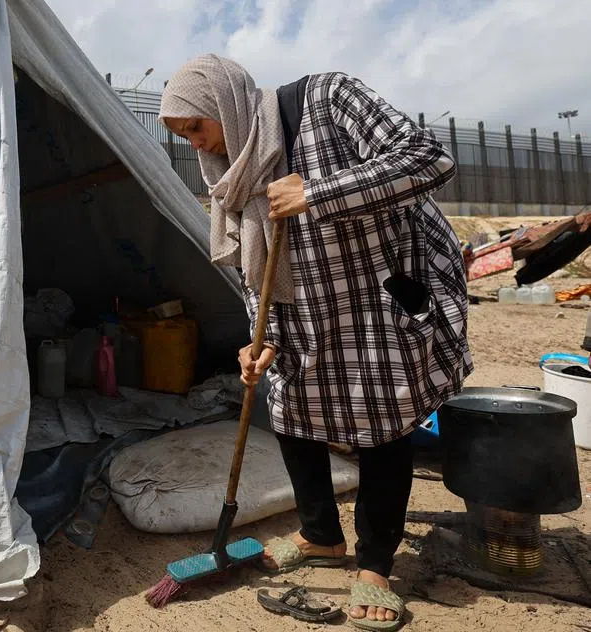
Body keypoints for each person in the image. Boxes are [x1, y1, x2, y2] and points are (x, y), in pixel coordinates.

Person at [158, 55, 471, 631]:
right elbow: (258, 268)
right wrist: (262, 338)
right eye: (186, 139)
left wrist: (321, 193)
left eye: (198, 128)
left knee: (384, 420)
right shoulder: (235, 173)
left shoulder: (329, 98)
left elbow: (430, 158)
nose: (201, 148)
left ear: (222, 102)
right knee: (290, 405)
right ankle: (321, 535)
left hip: (380, 292)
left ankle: (375, 565)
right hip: (304, 309)